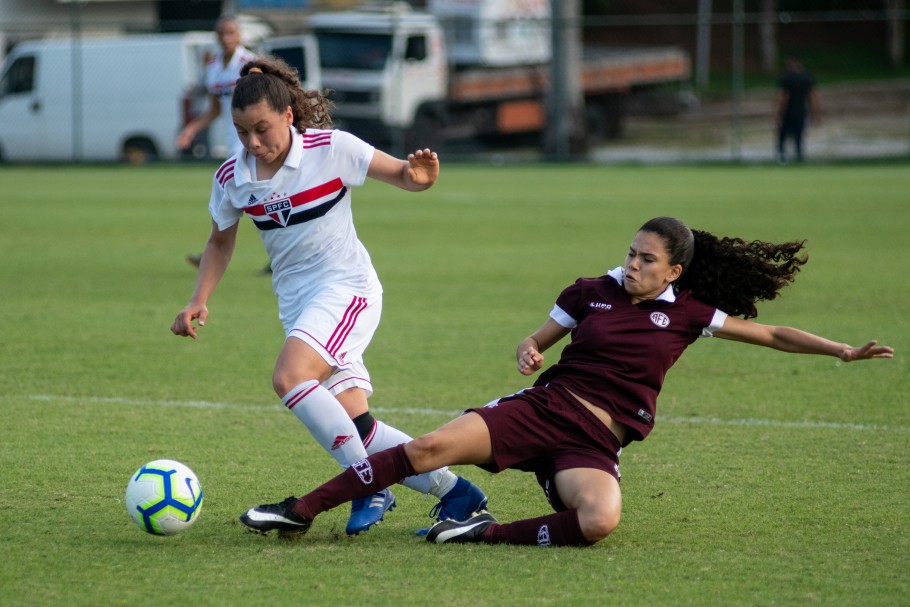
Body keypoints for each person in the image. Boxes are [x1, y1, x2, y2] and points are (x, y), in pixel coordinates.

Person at [238, 216, 894, 547]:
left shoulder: (690, 314)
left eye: (646, 260)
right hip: (544, 408)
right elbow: (538, 340)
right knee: (428, 448)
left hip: (592, 444)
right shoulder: (591, 291)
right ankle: (301, 510)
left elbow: (772, 334)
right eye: (631, 253)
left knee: (600, 519)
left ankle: (479, 533)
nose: (632, 264)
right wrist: (529, 349)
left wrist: (841, 351)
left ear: (673, 272)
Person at [170, 55, 487, 536]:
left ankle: (367, 485)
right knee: (358, 426)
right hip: (298, 305)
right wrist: (199, 298)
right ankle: (456, 491)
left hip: (347, 291)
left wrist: (418, 176)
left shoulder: (332, 148)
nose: (253, 142)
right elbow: (219, 241)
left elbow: (403, 174)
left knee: (289, 377)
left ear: (288, 116)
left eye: (262, 129)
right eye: (241, 132)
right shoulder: (232, 177)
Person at [180, 14, 259, 270]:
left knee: (231, 193)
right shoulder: (213, 65)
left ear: (239, 35)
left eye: (231, 33)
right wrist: (191, 129)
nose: (226, 38)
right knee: (245, 197)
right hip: (231, 139)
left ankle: (212, 253)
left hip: (249, 140)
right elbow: (214, 109)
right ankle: (216, 251)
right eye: (221, 33)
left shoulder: (249, 64)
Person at [776, 55, 821, 163]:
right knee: (798, 136)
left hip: (790, 112)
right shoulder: (806, 77)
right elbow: (814, 95)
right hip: (800, 112)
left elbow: (783, 97)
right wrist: (816, 112)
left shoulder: (787, 78)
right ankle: (798, 156)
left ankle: (782, 156)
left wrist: (778, 113)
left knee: (784, 134)